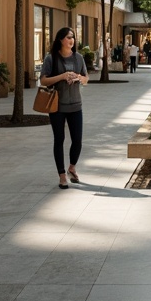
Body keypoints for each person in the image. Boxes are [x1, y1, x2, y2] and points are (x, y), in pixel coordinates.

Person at [39, 26, 88, 189]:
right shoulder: (51, 58)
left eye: (73, 37)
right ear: (60, 40)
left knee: (78, 141)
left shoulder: (79, 58)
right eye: (68, 37)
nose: (71, 40)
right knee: (59, 140)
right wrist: (63, 76)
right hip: (57, 106)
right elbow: (43, 81)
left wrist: (78, 77)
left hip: (76, 105)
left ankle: (72, 167)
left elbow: (86, 79)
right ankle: (61, 176)